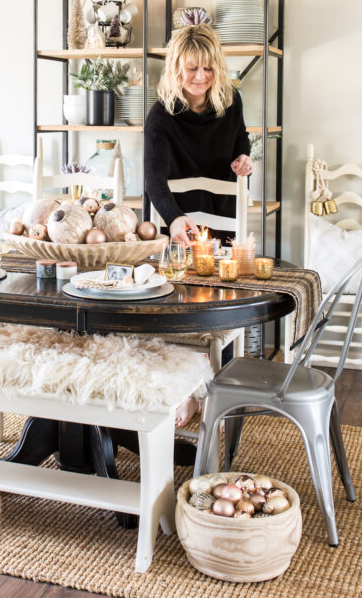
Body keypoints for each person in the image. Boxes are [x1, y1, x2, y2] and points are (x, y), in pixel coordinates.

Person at [144, 23, 253, 426]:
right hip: (181, 225)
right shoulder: (161, 115)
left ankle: (215, 390)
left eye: (208, 68)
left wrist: (244, 158)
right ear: (176, 68)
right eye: (191, 69)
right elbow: (153, 178)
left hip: (223, 216)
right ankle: (188, 392)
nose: (200, 78)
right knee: (181, 311)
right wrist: (174, 220)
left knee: (219, 310)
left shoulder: (230, 101)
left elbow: (241, 141)